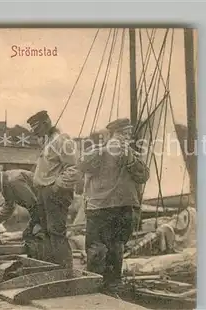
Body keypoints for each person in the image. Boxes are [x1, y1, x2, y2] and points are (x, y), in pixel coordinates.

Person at [76, 118, 150, 294]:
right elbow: (82, 165)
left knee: (115, 247)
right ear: (111, 135)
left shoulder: (131, 154)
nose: (125, 138)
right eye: (121, 134)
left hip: (119, 207)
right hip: (102, 207)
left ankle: (110, 286)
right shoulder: (97, 153)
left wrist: (129, 158)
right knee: (100, 249)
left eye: (127, 134)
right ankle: (98, 286)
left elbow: (143, 176)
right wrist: (104, 151)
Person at [26, 110, 82, 269]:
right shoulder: (48, 142)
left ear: (46, 123)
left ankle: (65, 269)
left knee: (56, 231)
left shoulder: (63, 141)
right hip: (45, 192)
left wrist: (57, 186)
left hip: (55, 192)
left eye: (36, 126)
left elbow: (73, 168)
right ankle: (53, 267)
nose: (34, 131)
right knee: (47, 232)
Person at [0, 165, 40, 242]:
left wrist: (31, 227)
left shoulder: (13, 181)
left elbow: (34, 205)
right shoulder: (5, 183)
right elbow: (9, 206)